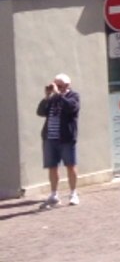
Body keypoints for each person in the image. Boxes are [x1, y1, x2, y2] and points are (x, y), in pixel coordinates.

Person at [39, 74, 81, 208]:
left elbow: (71, 108)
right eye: (55, 84)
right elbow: (40, 112)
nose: (56, 87)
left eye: (59, 85)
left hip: (66, 138)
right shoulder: (52, 99)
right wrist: (47, 96)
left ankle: (73, 193)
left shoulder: (73, 96)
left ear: (67, 86)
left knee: (70, 165)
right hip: (50, 138)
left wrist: (58, 94)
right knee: (52, 166)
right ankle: (54, 194)